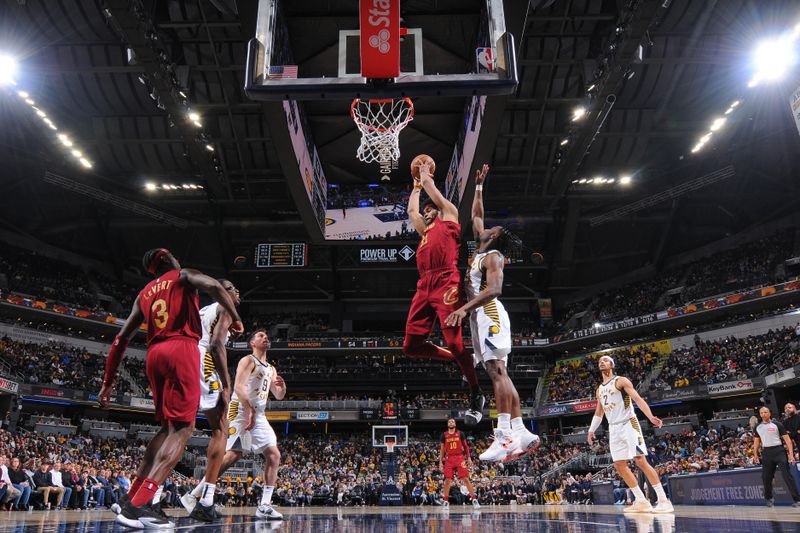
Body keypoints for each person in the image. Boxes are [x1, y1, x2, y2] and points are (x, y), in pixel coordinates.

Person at [99, 248, 243, 529]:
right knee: (183, 429)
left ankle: (133, 497)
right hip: (182, 349)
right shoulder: (183, 275)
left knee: (167, 428)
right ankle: (142, 505)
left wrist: (108, 382)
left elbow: (120, 339)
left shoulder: (144, 294)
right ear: (168, 260)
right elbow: (214, 286)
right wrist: (235, 316)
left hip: (154, 354)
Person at [445, 164, 540, 462]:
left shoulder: (494, 256)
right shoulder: (480, 251)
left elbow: (494, 291)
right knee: (499, 372)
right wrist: (478, 187)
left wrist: (462, 309)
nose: (488, 226)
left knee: (497, 371)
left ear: (496, 237)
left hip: (488, 312)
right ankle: (520, 429)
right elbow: (476, 215)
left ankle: (503, 435)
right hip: (480, 316)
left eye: (494, 228)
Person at [404, 157, 484, 425]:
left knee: (453, 339)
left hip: (447, 280)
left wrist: (425, 175)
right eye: (425, 211)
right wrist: (415, 187)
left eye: (429, 210)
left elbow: (432, 190)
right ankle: (460, 359)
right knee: (411, 347)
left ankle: (475, 393)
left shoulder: (449, 214)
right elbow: (411, 213)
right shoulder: (425, 230)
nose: (425, 212)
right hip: (424, 284)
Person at [185, 330, 286, 521]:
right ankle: (194, 495)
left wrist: (282, 388)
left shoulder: (271, 368)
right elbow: (239, 387)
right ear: (252, 343)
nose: (265, 337)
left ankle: (264, 505)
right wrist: (248, 410)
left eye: (267, 336)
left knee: (274, 455)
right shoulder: (248, 360)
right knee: (233, 454)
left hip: (259, 414)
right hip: (240, 409)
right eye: (260, 336)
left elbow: (278, 394)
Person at [179, 279, 241, 522]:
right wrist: (227, 383)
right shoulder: (223, 306)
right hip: (202, 357)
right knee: (220, 429)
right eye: (234, 289)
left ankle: (146, 495)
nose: (238, 293)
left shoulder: (204, 310)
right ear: (224, 292)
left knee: (180, 428)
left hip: (185, 355)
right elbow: (215, 343)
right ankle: (206, 500)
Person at [587, 355, 673, 513]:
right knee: (619, 465)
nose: (601, 362)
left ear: (612, 365)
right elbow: (599, 413)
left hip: (629, 424)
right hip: (613, 428)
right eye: (600, 361)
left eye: (605, 360)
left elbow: (638, 399)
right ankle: (641, 500)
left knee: (640, 461)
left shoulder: (621, 381)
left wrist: (650, 416)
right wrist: (591, 430)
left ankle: (663, 500)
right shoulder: (599, 389)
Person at [753, 406, 800, 507]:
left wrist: (791, 455)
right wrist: (755, 455)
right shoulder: (757, 427)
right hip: (766, 452)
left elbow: (788, 441)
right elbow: (756, 442)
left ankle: (797, 500)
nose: (763, 414)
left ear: (769, 413)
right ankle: (769, 498)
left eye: (765, 412)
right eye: (761, 413)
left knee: (787, 475)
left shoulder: (777, 424)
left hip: (779, 451)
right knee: (766, 477)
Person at [438, 418, 480, 509]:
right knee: (447, 480)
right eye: (449, 421)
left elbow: (466, 447)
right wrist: (440, 462)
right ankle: (445, 501)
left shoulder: (460, 434)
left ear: (455, 424)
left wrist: (469, 458)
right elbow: (442, 450)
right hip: (449, 459)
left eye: (452, 421)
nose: (451, 422)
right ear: (447, 424)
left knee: (465, 479)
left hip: (460, 458)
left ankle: (474, 499)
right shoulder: (444, 435)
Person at [783, 402, 800, 494]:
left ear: (794, 408)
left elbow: (791, 434)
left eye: (789, 407)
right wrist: (796, 432)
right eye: (786, 408)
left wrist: (792, 433)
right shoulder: (785, 422)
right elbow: (788, 437)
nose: (787, 409)